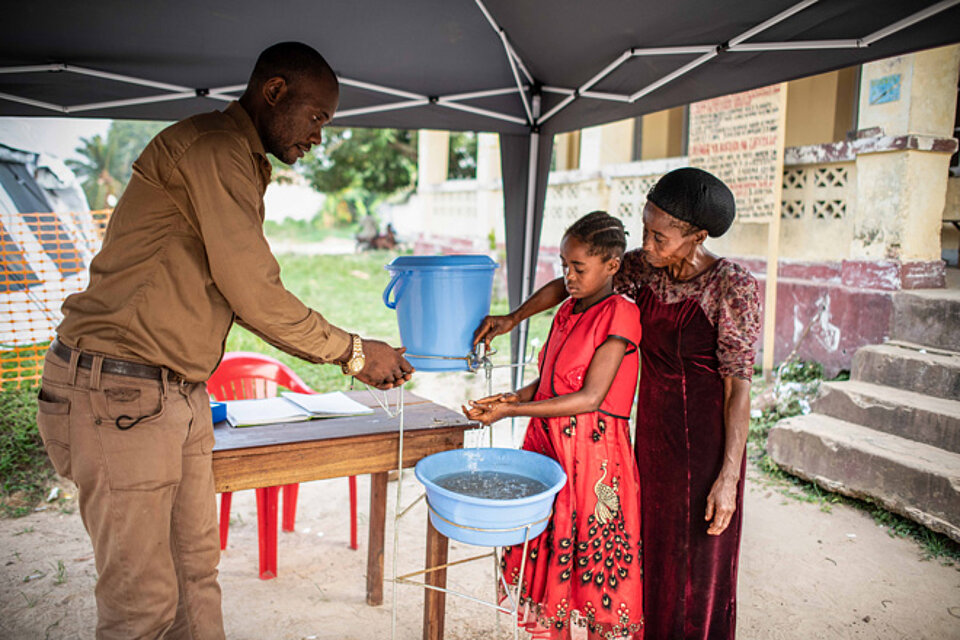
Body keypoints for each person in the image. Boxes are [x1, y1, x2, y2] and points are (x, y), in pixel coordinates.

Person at [34, 42, 413, 639]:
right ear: (274, 91)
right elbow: (255, 294)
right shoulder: (213, 148)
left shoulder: (238, 157)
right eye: (316, 117)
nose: (319, 137)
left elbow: (236, 289)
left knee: (195, 579)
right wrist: (356, 352)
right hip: (119, 390)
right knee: (143, 609)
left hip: (174, 394)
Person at [474, 168, 761, 640]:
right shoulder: (643, 266)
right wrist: (513, 317)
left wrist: (727, 477)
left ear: (697, 236)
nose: (646, 243)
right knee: (649, 555)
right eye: (645, 228)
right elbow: (572, 283)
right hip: (649, 434)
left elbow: (738, 389)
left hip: (707, 444)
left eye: (659, 236)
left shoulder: (731, 286)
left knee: (697, 565)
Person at [464, 211, 645, 639]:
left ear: (612, 266)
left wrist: (510, 412)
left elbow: (589, 398)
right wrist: (515, 397)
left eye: (578, 268)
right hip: (549, 446)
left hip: (593, 455)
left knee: (591, 557)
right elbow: (551, 382)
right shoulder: (568, 308)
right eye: (563, 265)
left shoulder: (620, 315)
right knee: (551, 542)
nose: (568, 276)